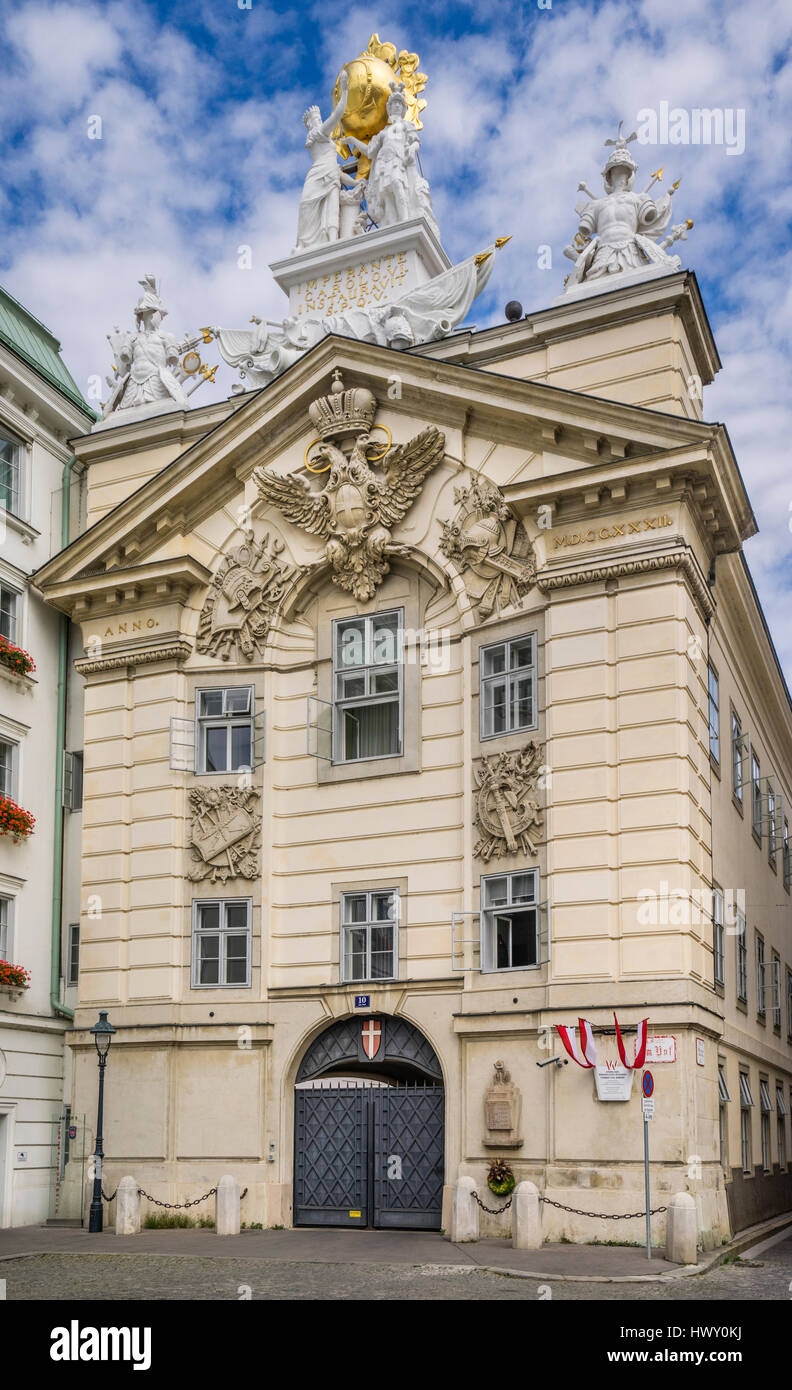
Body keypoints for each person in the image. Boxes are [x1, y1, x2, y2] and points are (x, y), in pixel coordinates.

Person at [295, 71, 358, 251]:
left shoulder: (324, 138)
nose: (320, 121)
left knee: (331, 208)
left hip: (330, 174)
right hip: (317, 175)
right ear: (311, 125)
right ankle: (302, 243)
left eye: (319, 118)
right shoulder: (318, 134)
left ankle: (330, 239)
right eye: (317, 119)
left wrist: (355, 182)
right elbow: (338, 114)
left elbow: (338, 173)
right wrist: (344, 91)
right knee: (307, 206)